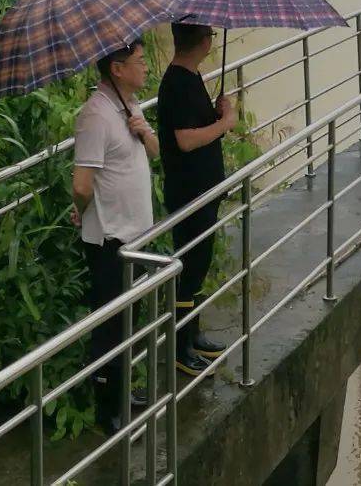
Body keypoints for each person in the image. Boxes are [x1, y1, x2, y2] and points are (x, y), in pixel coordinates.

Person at [71, 40, 158, 434]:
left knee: (130, 321)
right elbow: (82, 184)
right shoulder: (95, 116)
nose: (146, 68)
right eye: (139, 62)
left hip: (137, 234)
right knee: (110, 326)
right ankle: (108, 411)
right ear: (117, 69)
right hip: (111, 241)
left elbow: (154, 153)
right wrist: (84, 208)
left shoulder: (130, 106)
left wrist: (144, 132)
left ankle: (124, 389)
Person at [156, 23, 238, 376]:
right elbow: (186, 140)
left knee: (198, 262)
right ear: (204, 41)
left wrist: (217, 113)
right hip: (189, 192)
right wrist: (227, 122)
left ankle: (192, 333)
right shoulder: (178, 83)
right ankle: (179, 348)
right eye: (211, 36)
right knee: (189, 266)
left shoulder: (189, 79)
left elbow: (194, 127)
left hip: (201, 190)